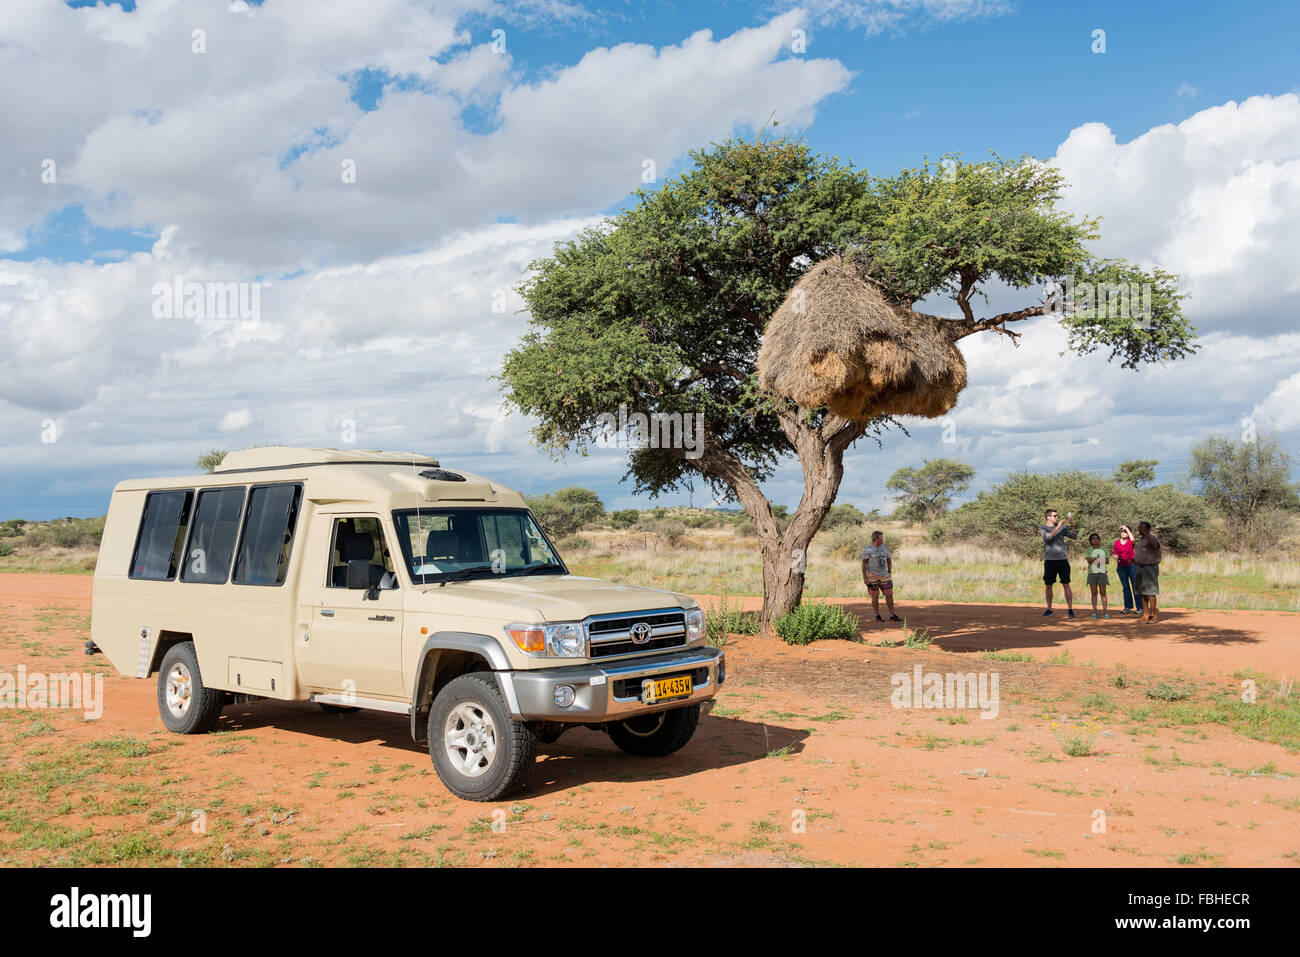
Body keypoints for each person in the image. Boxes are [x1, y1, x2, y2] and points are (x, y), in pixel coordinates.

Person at [1039, 508, 1077, 618]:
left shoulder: (1063, 528)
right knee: (1049, 585)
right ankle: (1049, 609)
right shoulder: (1043, 528)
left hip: (1062, 560)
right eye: (1054, 516)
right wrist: (1058, 527)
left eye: (1057, 515)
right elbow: (1048, 538)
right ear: (1048, 517)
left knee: (1066, 584)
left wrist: (1072, 524)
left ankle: (1070, 609)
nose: (1056, 517)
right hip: (1050, 561)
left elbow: (1074, 536)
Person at [861, 530, 901, 622]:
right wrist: (865, 578)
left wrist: (889, 571)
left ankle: (892, 615)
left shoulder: (884, 547)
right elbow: (863, 564)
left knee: (889, 594)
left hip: (885, 575)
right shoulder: (868, 550)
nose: (883, 539)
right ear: (876, 539)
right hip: (872, 575)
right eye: (881, 538)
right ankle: (877, 615)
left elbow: (889, 559)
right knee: (875, 595)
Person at [1133, 520, 1162, 623]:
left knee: (1150, 592)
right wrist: (1134, 560)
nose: (1138, 529)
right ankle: (1145, 614)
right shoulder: (1141, 540)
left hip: (1150, 568)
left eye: (1141, 527)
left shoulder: (1152, 538)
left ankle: (1153, 615)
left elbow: (1155, 546)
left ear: (1147, 529)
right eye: (1139, 527)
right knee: (1142, 592)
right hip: (1140, 567)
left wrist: (1146, 534)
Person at [1111, 525, 1138, 614]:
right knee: (1125, 587)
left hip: (1132, 566)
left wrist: (1126, 528)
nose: (1123, 532)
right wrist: (1117, 558)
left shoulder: (1131, 541)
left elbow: (1134, 540)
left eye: (1125, 531)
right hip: (1121, 567)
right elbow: (1115, 554)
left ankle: (1140, 607)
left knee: (1135, 586)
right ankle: (1128, 607)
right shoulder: (1117, 543)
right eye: (1121, 531)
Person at [1085, 532, 1110, 619]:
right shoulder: (1088, 550)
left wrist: (1094, 559)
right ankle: (1094, 612)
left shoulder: (1103, 549)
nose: (1095, 539)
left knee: (1103, 593)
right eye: (1093, 538)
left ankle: (1105, 612)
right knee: (1094, 593)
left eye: (1097, 538)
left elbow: (1107, 561)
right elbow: (1088, 560)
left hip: (1102, 573)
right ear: (1090, 541)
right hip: (1092, 573)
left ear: (1099, 540)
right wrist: (1100, 559)